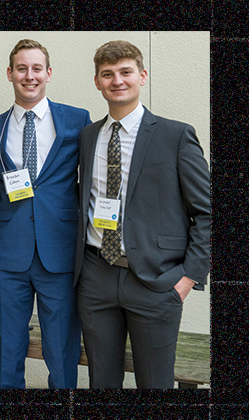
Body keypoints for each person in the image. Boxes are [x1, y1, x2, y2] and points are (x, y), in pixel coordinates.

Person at [75, 40, 210, 388]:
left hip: (156, 282)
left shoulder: (175, 135)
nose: (117, 80)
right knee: (101, 382)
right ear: (97, 82)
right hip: (96, 276)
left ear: (142, 76)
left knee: (155, 384)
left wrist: (186, 279)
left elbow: (207, 212)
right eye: (108, 74)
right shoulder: (89, 137)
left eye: (125, 72)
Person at [0, 39, 91, 389]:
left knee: (61, 350)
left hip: (58, 253)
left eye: (36, 68)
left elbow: (90, 179)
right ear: (10, 74)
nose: (29, 76)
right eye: (22, 69)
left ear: (48, 73)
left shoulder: (78, 121)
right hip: (8, 254)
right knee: (8, 350)